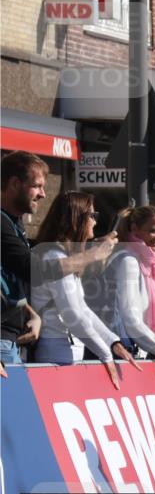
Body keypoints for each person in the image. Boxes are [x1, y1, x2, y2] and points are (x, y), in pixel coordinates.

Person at [2, 151, 116, 364]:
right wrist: (92, 255)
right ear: (15, 184)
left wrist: (31, 313)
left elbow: (14, 280)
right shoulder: (4, 224)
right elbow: (33, 270)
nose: (43, 194)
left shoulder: (14, 223)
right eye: (37, 186)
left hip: (13, 340)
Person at [31, 192, 139, 387]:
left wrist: (112, 342)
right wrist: (106, 355)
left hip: (65, 349)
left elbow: (82, 310)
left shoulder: (63, 256)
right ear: (76, 218)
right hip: (56, 351)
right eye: (92, 215)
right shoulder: (54, 255)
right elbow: (73, 314)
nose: (95, 222)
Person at [98, 206, 155, 386]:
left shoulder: (145, 265)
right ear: (134, 229)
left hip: (128, 353)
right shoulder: (129, 261)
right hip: (115, 354)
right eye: (153, 231)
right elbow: (132, 319)